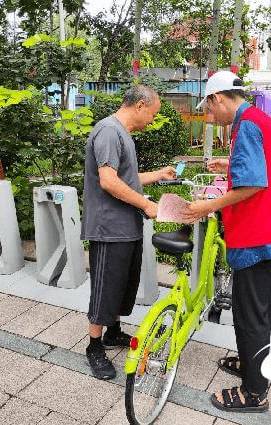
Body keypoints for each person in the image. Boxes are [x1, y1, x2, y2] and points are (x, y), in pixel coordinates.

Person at [182, 71, 271, 413]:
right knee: (256, 310)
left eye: (210, 109)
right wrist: (230, 164)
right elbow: (264, 166)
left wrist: (208, 205)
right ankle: (253, 366)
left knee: (250, 315)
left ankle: (254, 393)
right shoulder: (261, 118)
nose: (211, 116)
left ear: (219, 98)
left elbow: (253, 185)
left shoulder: (244, 125)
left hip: (256, 234)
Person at [81, 85, 176, 380]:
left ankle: (113, 332)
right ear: (139, 106)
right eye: (153, 113)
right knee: (105, 287)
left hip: (126, 227)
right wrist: (146, 205)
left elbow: (128, 180)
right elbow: (108, 182)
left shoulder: (123, 134)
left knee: (123, 285)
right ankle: (94, 346)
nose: (152, 120)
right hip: (109, 227)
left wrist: (158, 175)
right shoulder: (108, 131)